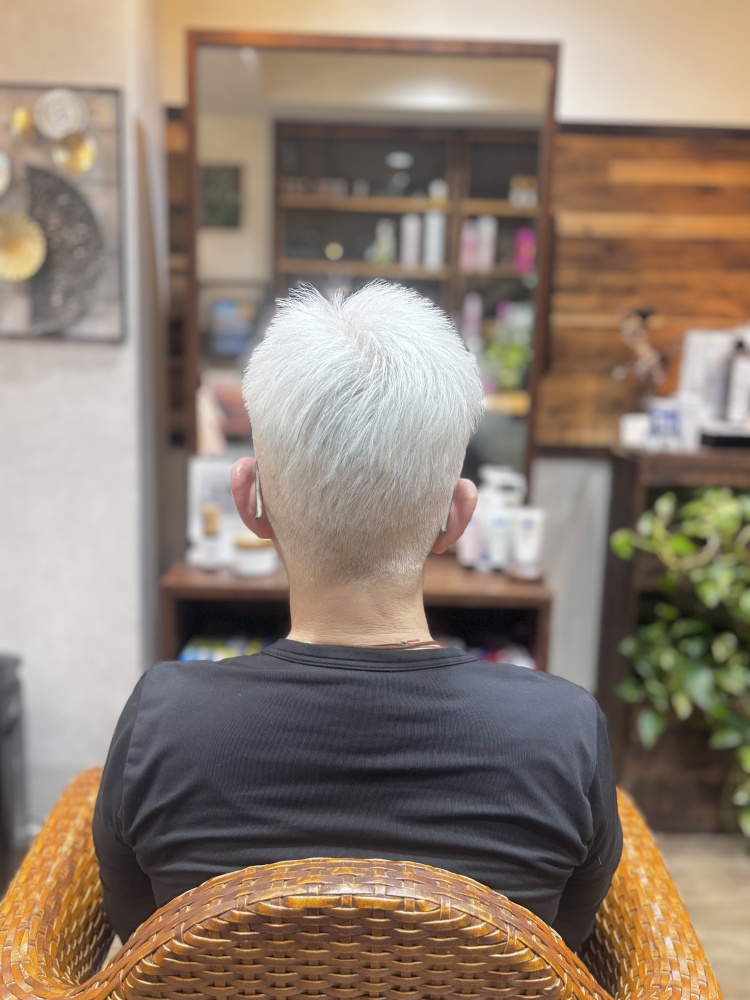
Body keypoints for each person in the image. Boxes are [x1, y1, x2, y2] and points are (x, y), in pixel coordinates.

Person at [93, 282, 622, 949]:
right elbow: (563, 951)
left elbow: (138, 940)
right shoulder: (562, 734)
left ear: (250, 501)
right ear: (457, 516)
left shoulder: (163, 724)